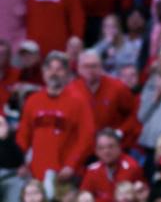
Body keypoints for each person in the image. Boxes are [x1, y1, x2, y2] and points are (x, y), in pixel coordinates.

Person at [16, 51, 96, 185]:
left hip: (66, 174)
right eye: (50, 69)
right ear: (43, 72)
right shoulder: (32, 100)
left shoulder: (79, 102)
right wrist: (19, 161)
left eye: (59, 69)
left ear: (67, 74)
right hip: (36, 174)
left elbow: (87, 137)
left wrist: (71, 164)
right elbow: (23, 135)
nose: (54, 73)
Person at [80, 128, 145, 202]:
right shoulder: (92, 171)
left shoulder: (132, 167)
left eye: (110, 147)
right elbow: (83, 196)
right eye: (101, 148)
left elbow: (143, 196)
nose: (106, 151)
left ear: (119, 147)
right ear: (96, 151)